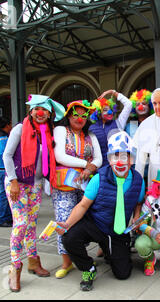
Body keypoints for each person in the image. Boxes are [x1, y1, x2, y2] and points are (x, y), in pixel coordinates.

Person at [55, 131, 145, 291]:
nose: (120, 162)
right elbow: (83, 205)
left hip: (118, 230)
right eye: (115, 156)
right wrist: (67, 224)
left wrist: (137, 216)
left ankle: (109, 251)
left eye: (125, 156)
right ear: (110, 159)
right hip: (95, 224)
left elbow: (138, 203)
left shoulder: (138, 180)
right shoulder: (98, 178)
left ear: (131, 159)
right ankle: (88, 268)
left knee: (123, 274)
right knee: (69, 238)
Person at [3, 94, 65, 292]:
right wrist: (13, 181)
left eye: (45, 110)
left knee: (31, 225)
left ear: (49, 114)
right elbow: (7, 155)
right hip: (17, 184)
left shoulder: (47, 131)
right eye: (37, 109)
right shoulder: (20, 129)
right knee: (20, 224)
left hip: (35, 184)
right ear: (31, 111)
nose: (41, 113)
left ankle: (33, 262)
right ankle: (15, 268)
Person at [52, 99, 102, 279]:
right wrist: (85, 165)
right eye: (76, 115)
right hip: (64, 185)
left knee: (86, 220)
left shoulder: (92, 136)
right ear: (68, 115)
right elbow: (60, 156)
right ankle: (66, 262)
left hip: (86, 184)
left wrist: (89, 169)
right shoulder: (60, 131)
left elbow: (99, 159)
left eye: (84, 115)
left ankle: (81, 257)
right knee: (64, 221)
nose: (80, 118)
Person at [88, 89, 133, 168]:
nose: (110, 112)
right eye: (105, 110)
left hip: (116, 166)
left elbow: (129, 104)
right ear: (98, 112)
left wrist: (113, 92)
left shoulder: (119, 123)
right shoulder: (92, 128)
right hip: (99, 168)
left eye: (111, 110)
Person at [0, 117, 13, 228]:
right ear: (6, 125)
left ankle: (7, 217)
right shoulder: (2, 137)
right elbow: (3, 154)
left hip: (0, 168)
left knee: (6, 195)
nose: (11, 127)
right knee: (4, 195)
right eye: (10, 124)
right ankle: (2, 219)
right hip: (3, 169)